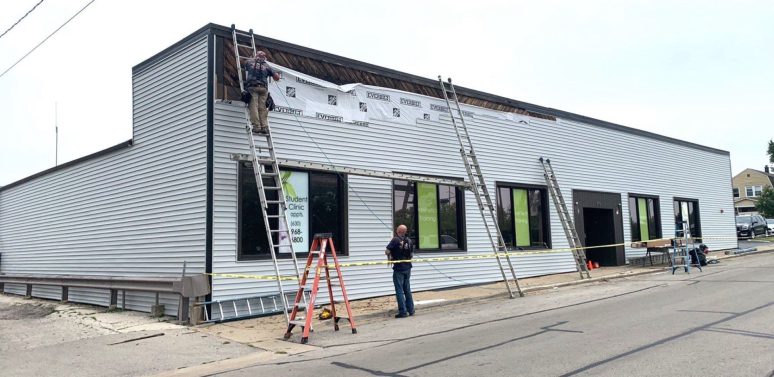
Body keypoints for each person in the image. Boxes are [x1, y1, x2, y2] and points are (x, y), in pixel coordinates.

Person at [244, 51, 280, 134]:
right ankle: (264, 127)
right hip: (263, 89)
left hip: (253, 87)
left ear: (256, 56)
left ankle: (256, 126)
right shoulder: (267, 66)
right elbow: (277, 78)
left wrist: (253, 58)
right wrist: (274, 73)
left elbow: (245, 65)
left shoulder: (249, 62)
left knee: (253, 107)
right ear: (264, 58)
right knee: (262, 108)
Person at [385, 225, 415, 318]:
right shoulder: (409, 241)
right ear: (405, 232)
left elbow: (387, 251)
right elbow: (412, 255)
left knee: (399, 290)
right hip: (408, 267)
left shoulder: (395, 240)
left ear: (398, 231)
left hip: (399, 268)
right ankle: (411, 310)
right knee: (407, 289)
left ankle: (402, 312)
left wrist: (391, 256)